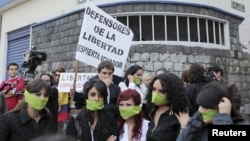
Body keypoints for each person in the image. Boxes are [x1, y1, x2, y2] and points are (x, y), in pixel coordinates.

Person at [176, 81, 249, 141]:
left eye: (207, 107)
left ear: (221, 107)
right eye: (201, 106)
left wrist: (223, 119)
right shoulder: (198, 127)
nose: (202, 111)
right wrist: (193, 123)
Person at [145, 73, 190, 141]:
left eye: (162, 91)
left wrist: (184, 127)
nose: (156, 94)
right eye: (154, 89)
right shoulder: (152, 110)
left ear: (172, 93)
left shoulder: (179, 115)